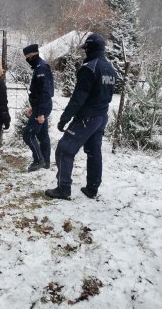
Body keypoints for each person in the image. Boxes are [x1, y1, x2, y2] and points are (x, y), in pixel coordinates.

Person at [45, 33, 117, 200]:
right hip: (101, 117)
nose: (84, 52)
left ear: (89, 48)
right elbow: (109, 95)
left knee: (64, 149)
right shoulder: (110, 69)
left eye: (86, 49)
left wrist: (65, 118)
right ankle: (92, 188)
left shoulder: (89, 68)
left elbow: (78, 98)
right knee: (94, 152)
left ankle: (63, 189)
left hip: (87, 118)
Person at [23, 43, 54, 172]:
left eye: (27, 56)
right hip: (42, 105)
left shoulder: (41, 68)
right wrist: (34, 108)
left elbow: (45, 91)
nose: (27, 59)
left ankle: (38, 160)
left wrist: (40, 112)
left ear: (32, 55)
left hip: (43, 106)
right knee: (42, 135)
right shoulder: (40, 66)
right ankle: (46, 161)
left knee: (28, 134)